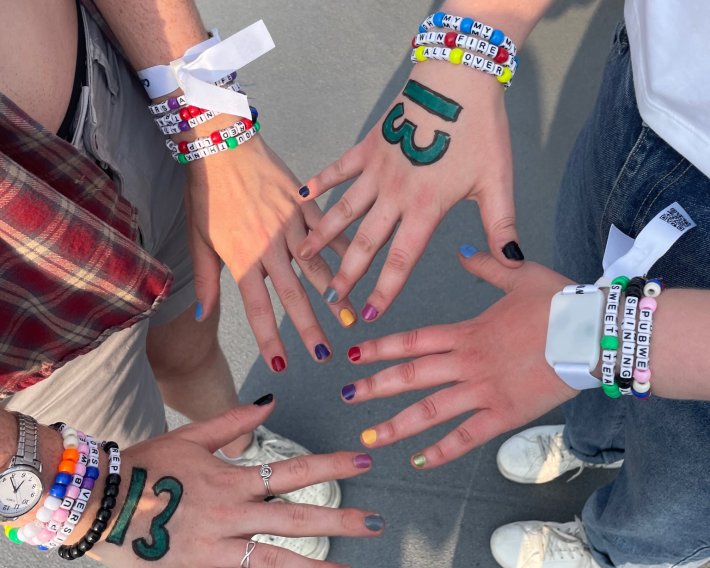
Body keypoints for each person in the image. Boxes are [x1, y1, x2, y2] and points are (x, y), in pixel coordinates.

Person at [307, 1, 710, 567]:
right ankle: (594, 442)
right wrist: (469, 48)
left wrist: (589, 335)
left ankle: (624, 550)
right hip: (643, 97)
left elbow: (586, 334)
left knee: (682, 474)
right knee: (573, 281)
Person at [0, 0, 384, 564]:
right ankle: (200, 508)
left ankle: (234, 446)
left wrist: (210, 129)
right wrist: (98, 502)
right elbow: (92, 485)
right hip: (23, 310)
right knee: (125, 446)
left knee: (189, 343)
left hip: (109, 106)